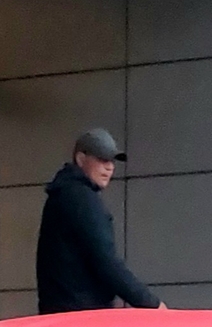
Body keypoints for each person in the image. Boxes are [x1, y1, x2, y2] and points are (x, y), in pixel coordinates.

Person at [35, 128, 163, 314]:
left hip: (60, 316)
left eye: (111, 161)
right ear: (80, 159)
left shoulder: (62, 195)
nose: (109, 167)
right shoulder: (81, 200)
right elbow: (106, 262)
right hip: (81, 318)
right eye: (102, 160)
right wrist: (153, 305)